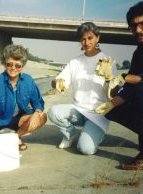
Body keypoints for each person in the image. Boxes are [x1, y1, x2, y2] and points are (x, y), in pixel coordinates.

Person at [95, 1, 143, 170]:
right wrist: (110, 103)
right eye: (133, 26)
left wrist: (123, 77)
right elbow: (130, 88)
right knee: (114, 108)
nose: (138, 30)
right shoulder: (139, 52)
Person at [47, 22, 118, 155]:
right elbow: (60, 82)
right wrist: (56, 83)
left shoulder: (107, 60)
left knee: (86, 149)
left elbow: (115, 93)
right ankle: (71, 135)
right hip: (78, 110)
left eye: (90, 38)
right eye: (83, 39)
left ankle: (93, 134)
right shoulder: (75, 62)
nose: (86, 42)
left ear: (97, 38)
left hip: (98, 113)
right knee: (53, 112)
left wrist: (109, 79)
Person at [0, 44, 47, 151]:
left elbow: (38, 103)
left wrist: (36, 113)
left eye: (18, 66)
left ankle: (15, 137)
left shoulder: (28, 81)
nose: (13, 68)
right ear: (5, 64)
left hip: (18, 121)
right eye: (9, 64)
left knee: (42, 116)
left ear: (22, 66)